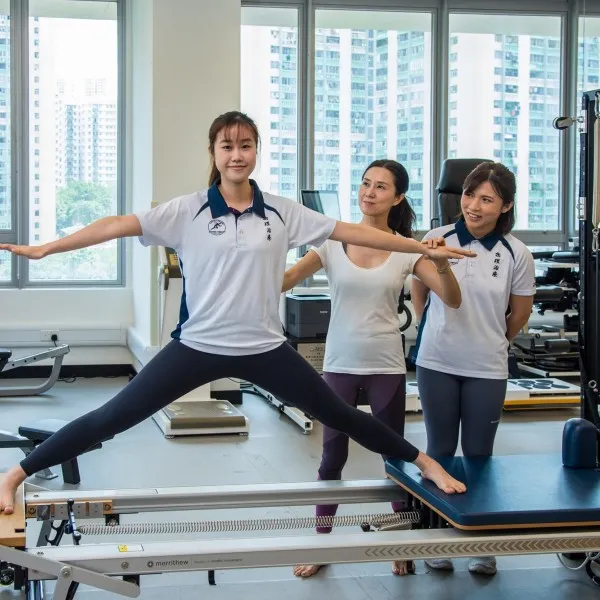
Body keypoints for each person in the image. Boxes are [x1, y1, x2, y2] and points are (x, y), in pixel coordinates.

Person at [0, 111, 474, 516]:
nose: (236, 155)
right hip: (197, 346)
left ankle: (425, 463)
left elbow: (356, 232)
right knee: (112, 417)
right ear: (214, 152)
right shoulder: (186, 211)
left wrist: (421, 248)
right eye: (227, 146)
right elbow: (116, 225)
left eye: (246, 145)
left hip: (265, 349)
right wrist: (48, 248)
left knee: (340, 415)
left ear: (256, 152)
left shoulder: (283, 213)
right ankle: (16, 474)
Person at [282, 159, 465, 579]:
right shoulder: (332, 242)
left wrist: (439, 262)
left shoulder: (405, 247)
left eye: (381, 186)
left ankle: (401, 543)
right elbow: (286, 280)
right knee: (332, 457)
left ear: (397, 198)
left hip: (385, 364)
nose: (369, 192)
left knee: (394, 456)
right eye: (366, 183)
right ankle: (321, 541)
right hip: (339, 364)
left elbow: (452, 298)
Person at [411, 161, 536, 576]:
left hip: (487, 366)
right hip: (437, 362)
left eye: (487, 199)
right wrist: (424, 321)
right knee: (440, 451)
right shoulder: (437, 239)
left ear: (505, 206)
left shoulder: (516, 252)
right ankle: (437, 537)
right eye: (469, 195)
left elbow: (520, 312)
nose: (474, 206)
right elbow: (418, 284)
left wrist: (494, 339)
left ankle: (482, 543)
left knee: (480, 455)